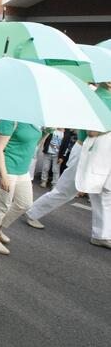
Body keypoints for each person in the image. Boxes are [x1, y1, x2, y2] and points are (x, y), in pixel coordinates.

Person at [0, 120, 42, 255]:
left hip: (22, 170)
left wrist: (45, 133)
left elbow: (33, 145)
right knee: (2, 204)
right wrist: (3, 176)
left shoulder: (34, 120)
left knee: (25, 204)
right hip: (7, 167)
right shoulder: (10, 120)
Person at [73, 81, 111, 249]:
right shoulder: (97, 97)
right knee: (63, 190)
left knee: (105, 194)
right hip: (86, 151)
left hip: (101, 156)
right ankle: (30, 210)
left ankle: (102, 235)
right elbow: (92, 131)